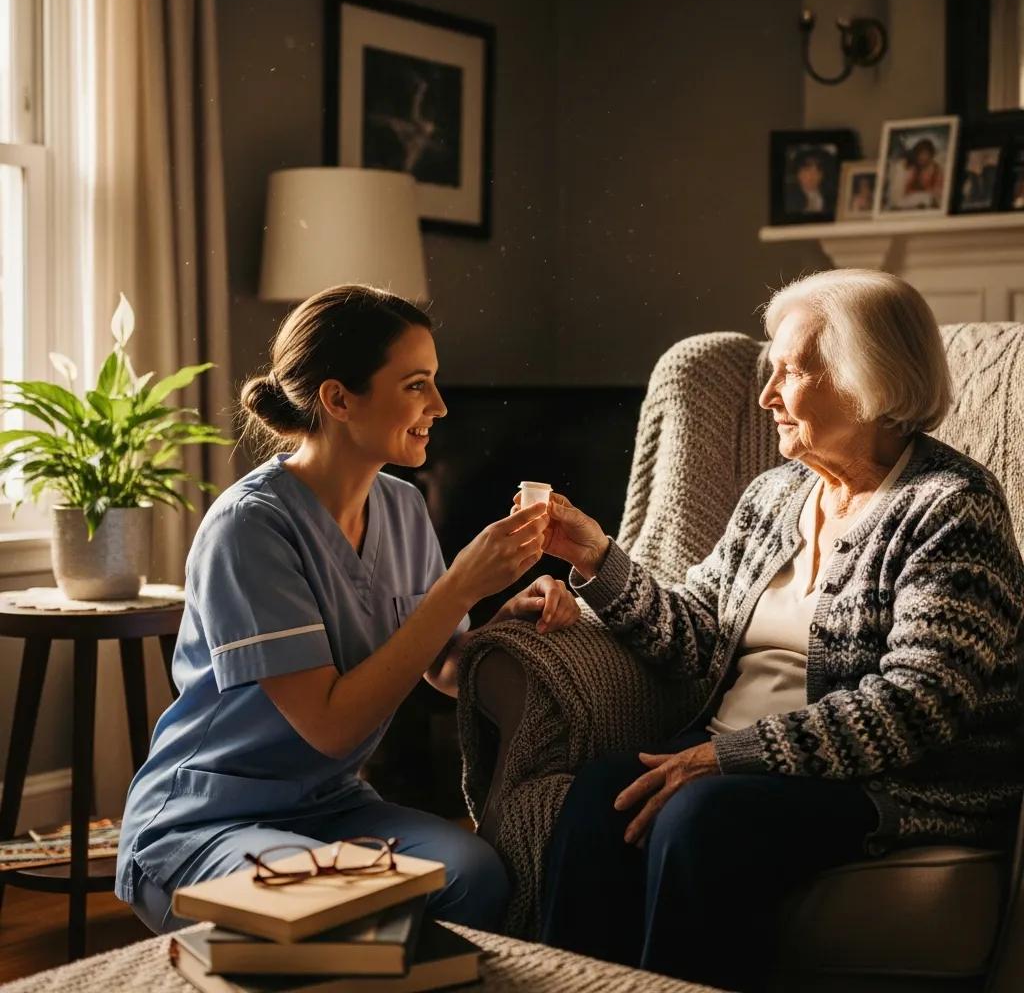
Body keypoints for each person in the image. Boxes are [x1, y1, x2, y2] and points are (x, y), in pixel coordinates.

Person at [535, 269, 1024, 992]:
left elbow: (920, 703)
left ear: (870, 380)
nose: (767, 396)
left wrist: (728, 756)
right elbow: (697, 634)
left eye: (791, 373)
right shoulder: (775, 496)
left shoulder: (950, 508)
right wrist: (595, 559)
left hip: (889, 783)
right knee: (602, 792)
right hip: (738, 762)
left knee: (700, 818)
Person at [115, 284, 581, 935]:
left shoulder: (402, 506)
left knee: (476, 877)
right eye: (417, 385)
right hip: (206, 818)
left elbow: (443, 669)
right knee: (336, 911)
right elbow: (331, 728)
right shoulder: (250, 529)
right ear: (338, 399)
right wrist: (459, 588)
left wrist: (506, 619)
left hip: (330, 806)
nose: (440, 407)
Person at [900, 137, 944, 207]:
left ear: (931, 155)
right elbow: (906, 191)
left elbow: (939, 192)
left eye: (925, 154)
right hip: (915, 204)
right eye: (919, 154)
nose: (921, 157)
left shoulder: (937, 171)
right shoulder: (914, 170)